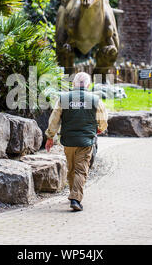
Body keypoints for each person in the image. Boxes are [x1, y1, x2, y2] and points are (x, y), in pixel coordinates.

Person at [45, 72, 108, 212]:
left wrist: (50, 136)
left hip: (68, 141)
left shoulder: (64, 98)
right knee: (81, 170)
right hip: (86, 141)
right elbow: (103, 120)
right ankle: (75, 198)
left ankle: (74, 193)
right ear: (88, 84)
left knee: (72, 168)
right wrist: (100, 129)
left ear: (73, 84)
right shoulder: (95, 99)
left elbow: (54, 119)